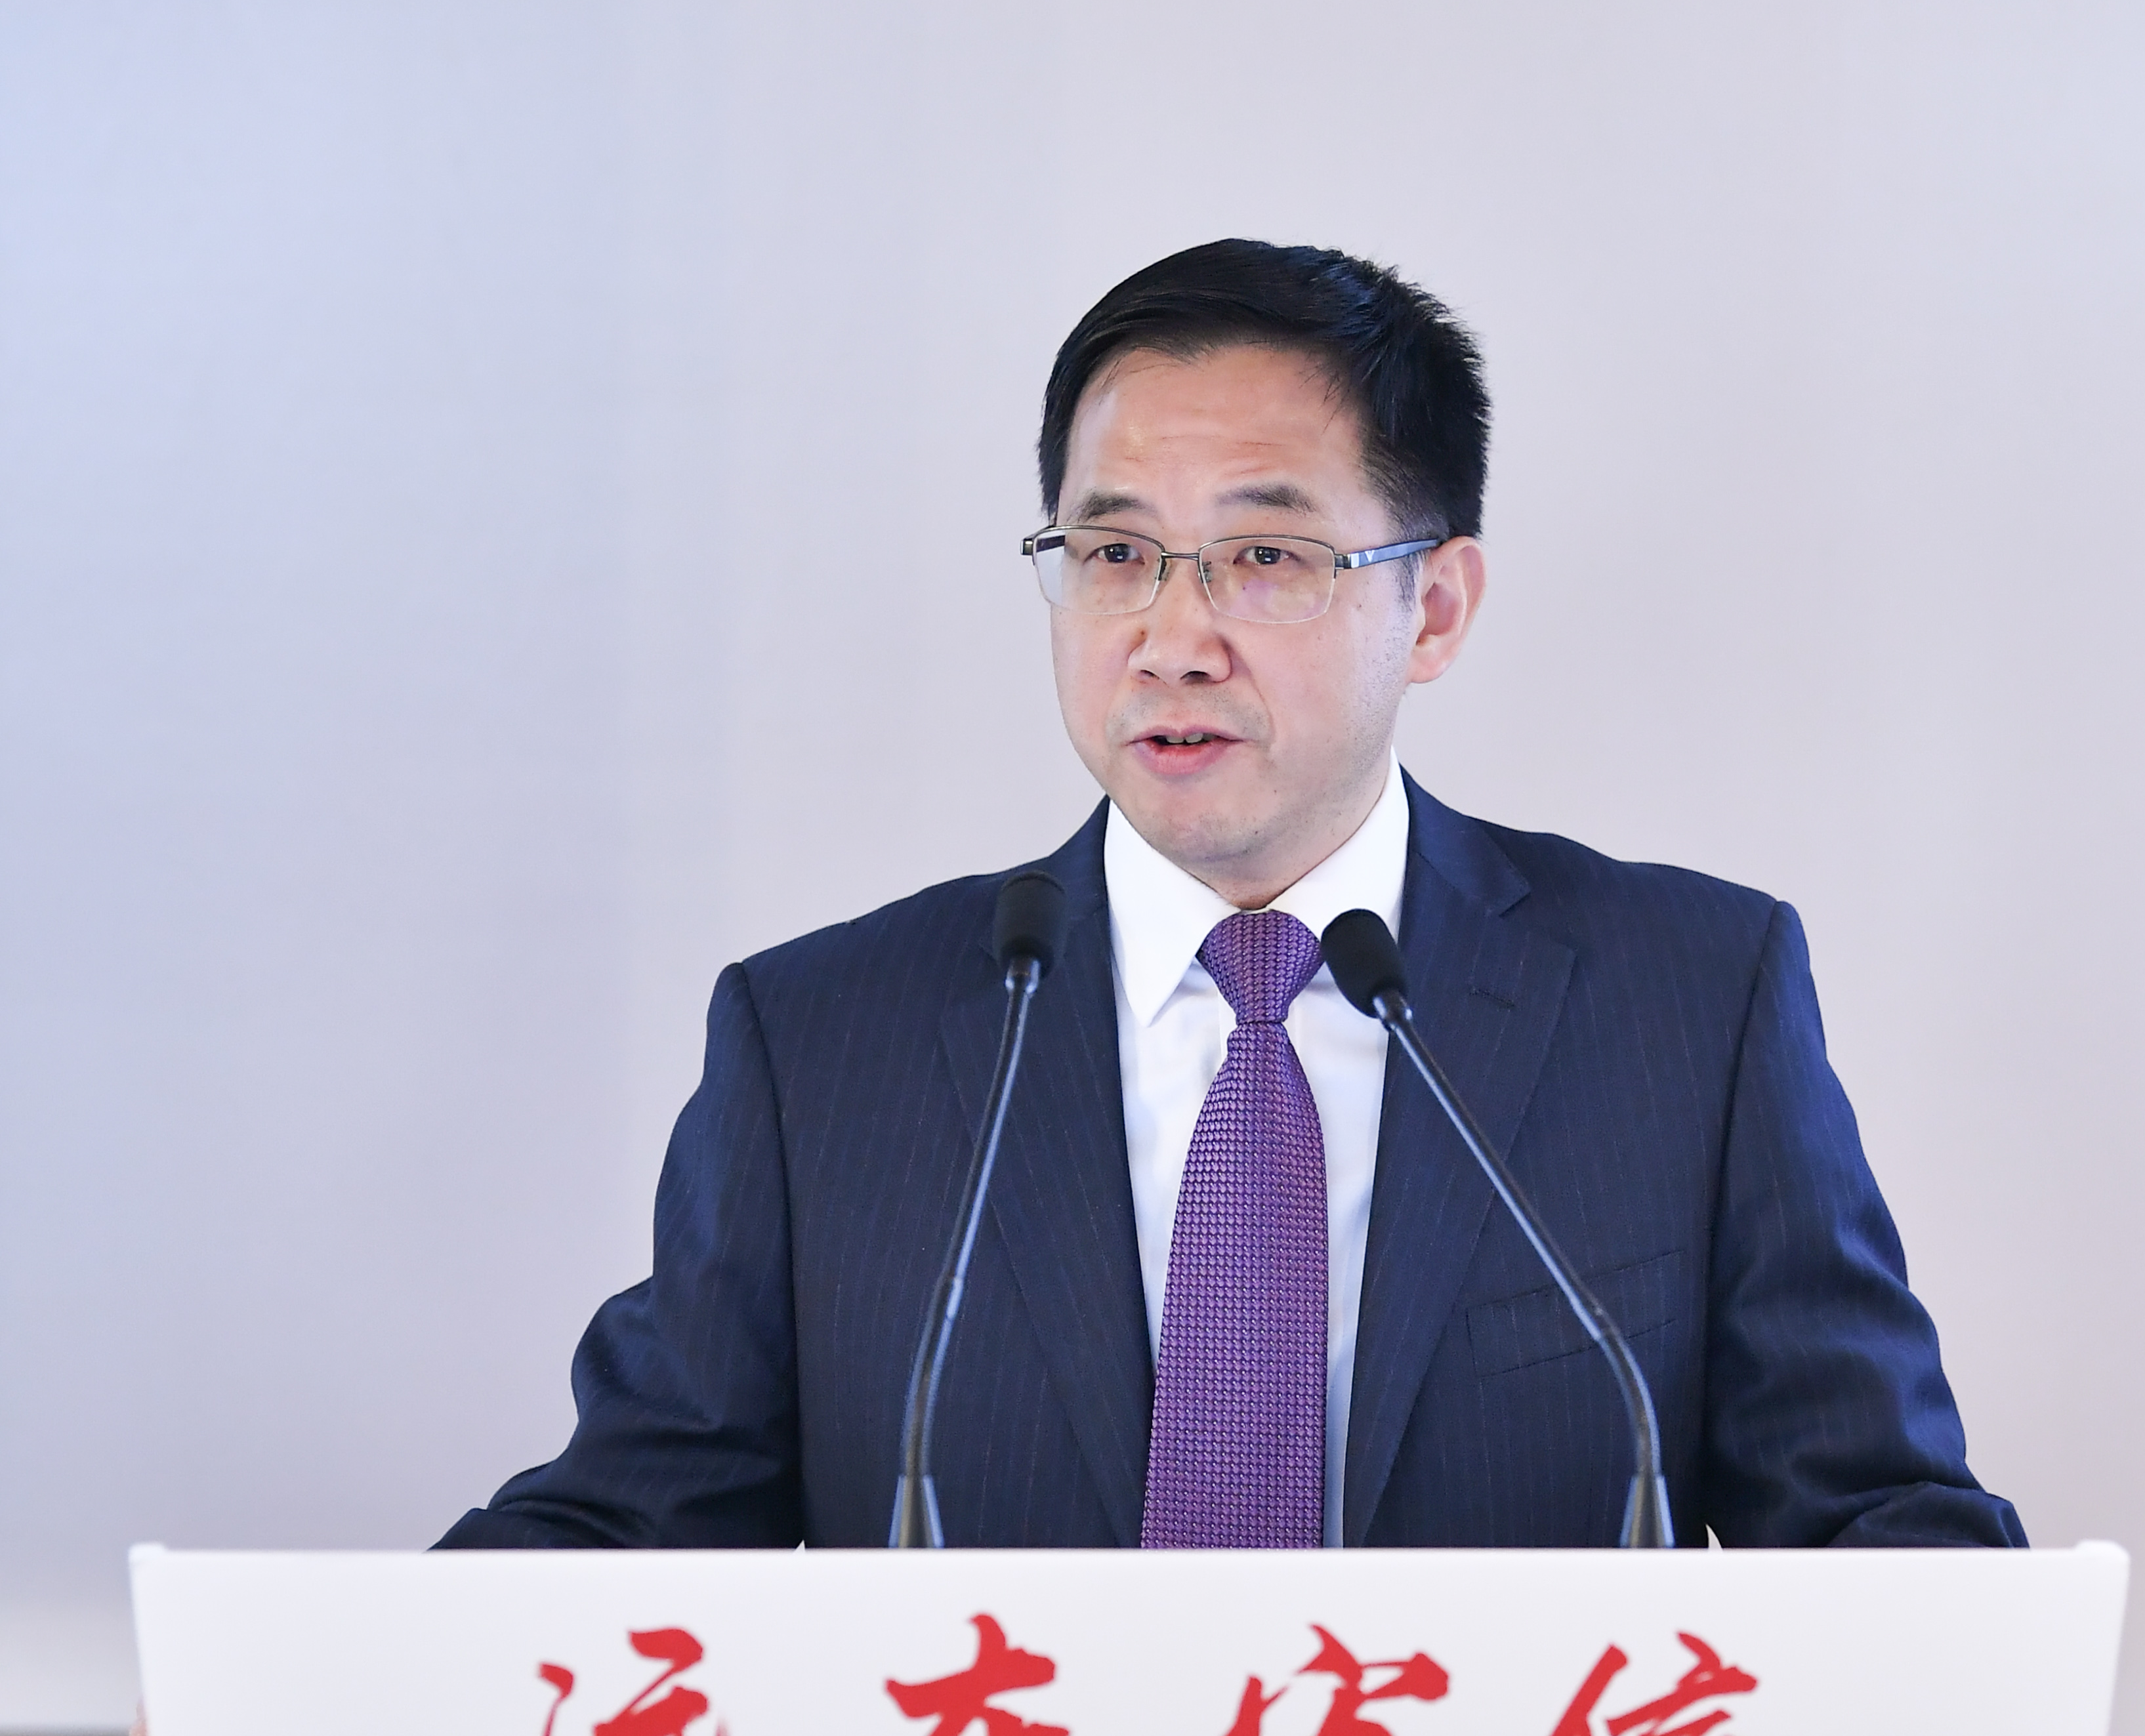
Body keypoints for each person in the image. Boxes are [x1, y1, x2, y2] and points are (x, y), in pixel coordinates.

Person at [440, 239, 2022, 1558]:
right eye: (1113, 553)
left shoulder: (1685, 1004)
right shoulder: (824, 1045)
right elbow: (623, 1534)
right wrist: (343, 1688)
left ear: (1433, 606)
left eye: (1263, 558)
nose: (1170, 637)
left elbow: (1874, 1522)